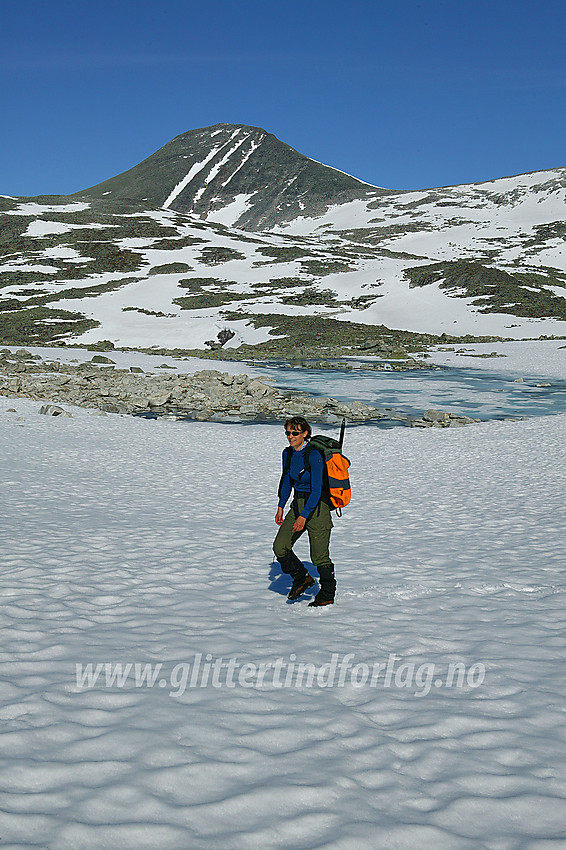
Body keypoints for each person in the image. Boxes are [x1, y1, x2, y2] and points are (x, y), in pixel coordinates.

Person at [273, 416, 336, 606]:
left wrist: (303, 516)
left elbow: (317, 489)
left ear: (305, 434)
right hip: (297, 503)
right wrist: (281, 506)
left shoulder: (314, 455)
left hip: (317, 508)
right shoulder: (288, 454)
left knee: (319, 556)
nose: (290, 437)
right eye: (288, 433)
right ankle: (302, 578)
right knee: (280, 547)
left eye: (295, 433)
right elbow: (286, 480)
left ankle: (327, 594)